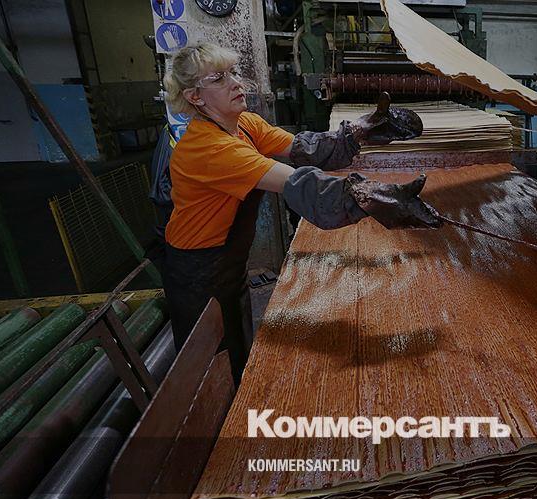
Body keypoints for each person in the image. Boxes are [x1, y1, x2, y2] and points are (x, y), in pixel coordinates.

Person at [161, 43, 440, 383]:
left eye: (233, 72)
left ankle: (239, 391)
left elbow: (304, 148)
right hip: (197, 272)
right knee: (209, 369)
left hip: (227, 263)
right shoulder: (208, 148)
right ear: (195, 97)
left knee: (237, 346)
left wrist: (361, 130)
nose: (236, 83)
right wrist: (373, 196)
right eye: (219, 78)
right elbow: (298, 183)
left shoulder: (244, 124)